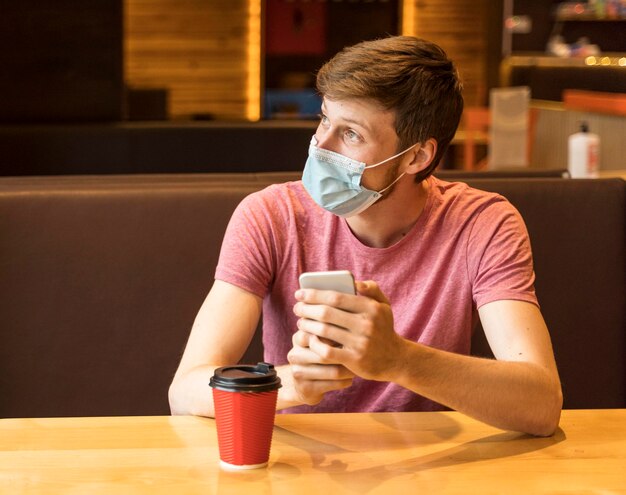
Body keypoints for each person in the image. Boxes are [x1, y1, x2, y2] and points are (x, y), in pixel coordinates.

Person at [169, 35, 562, 436]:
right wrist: (289, 385)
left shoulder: (481, 223)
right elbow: (184, 392)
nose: (320, 144)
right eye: (324, 118)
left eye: (351, 134)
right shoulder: (271, 215)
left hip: (432, 468)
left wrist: (398, 360)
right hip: (300, 467)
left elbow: (542, 404)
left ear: (416, 156)